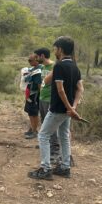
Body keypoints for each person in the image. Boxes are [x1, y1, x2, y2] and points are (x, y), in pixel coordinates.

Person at [28, 36, 84, 180]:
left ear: (60, 49)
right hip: (67, 110)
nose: (54, 51)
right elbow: (80, 89)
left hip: (58, 108)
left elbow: (60, 90)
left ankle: (45, 169)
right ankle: (65, 167)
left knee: (43, 135)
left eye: (55, 48)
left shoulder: (59, 65)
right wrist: (73, 107)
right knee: (64, 136)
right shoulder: (75, 66)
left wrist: (69, 108)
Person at [34, 48, 60, 161]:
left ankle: (55, 151)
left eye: (37, 56)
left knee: (52, 126)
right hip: (42, 98)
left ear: (42, 56)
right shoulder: (43, 67)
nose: (36, 58)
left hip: (50, 99)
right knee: (45, 123)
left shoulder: (54, 66)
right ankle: (47, 145)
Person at [23, 54, 43, 139]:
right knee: (30, 112)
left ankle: (35, 131)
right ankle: (32, 128)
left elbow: (39, 84)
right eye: (28, 60)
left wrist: (39, 95)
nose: (29, 62)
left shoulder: (38, 70)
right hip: (29, 94)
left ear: (36, 59)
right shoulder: (32, 69)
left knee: (34, 113)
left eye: (31, 60)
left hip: (34, 95)